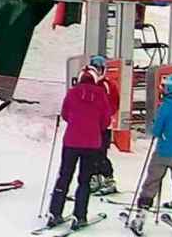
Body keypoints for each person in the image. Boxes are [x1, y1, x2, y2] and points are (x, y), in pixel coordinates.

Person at [46, 66, 113, 230]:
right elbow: (106, 120)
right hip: (91, 143)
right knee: (84, 179)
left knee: (64, 176)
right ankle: (80, 215)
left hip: (71, 141)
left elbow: (65, 114)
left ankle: (55, 212)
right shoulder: (101, 95)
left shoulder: (72, 92)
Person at [131, 73, 172, 229]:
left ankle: (141, 218)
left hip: (164, 151)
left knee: (152, 182)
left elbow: (156, 130)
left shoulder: (166, 106)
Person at [88, 54, 120, 195]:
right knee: (90, 153)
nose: (97, 72)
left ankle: (108, 179)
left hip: (103, 126)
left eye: (99, 69)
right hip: (90, 125)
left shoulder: (107, 85)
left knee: (100, 153)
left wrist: (103, 117)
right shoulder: (89, 83)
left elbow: (114, 104)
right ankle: (94, 177)